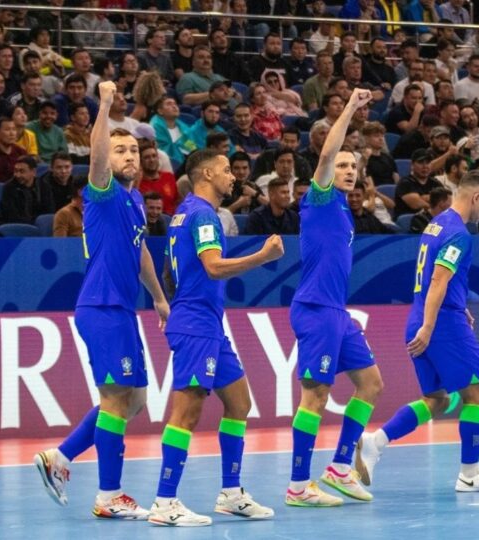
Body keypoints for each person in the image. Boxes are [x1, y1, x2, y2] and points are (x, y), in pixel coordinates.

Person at [34, 80, 170, 518]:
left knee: (134, 401)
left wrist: (160, 299)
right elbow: (95, 157)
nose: (130, 155)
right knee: (115, 400)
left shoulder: (133, 201)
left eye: (134, 150)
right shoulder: (103, 191)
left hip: (123, 311)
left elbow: (142, 252)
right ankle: (109, 496)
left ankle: (60, 457)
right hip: (102, 308)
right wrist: (106, 105)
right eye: (121, 150)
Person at [147, 148, 284, 526]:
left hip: (205, 322)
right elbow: (212, 267)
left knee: (239, 402)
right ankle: (164, 501)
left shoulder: (183, 214)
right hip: (197, 326)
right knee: (186, 412)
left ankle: (231, 493)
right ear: (206, 174)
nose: (233, 177)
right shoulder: (204, 214)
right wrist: (262, 256)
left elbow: (172, 269)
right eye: (226, 170)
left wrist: (173, 306)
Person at [355, 170, 479, 493]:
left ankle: (375, 442)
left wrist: (452, 307)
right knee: (477, 393)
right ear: (476, 197)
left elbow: (436, 279)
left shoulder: (435, 224)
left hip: (425, 314)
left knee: (436, 399)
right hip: (440, 323)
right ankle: (470, 473)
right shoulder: (460, 233)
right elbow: (438, 279)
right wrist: (430, 326)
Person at [284, 88, 383, 508]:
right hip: (314, 310)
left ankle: (341, 467)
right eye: (342, 164)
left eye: (352, 166)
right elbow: (326, 156)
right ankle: (297, 485)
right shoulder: (320, 199)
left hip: (337, 314)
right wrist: (350, 108)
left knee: (371, 384)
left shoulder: (345, 208)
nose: (346, 169)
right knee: (316, 396)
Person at [0, 156, 55, 223]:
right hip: (18, 226)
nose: (17, 175)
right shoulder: (9, 188)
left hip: (40, 225)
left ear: (33, 172)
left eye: (22, 171)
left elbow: (49, 211)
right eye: (16, 171)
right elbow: (11, 216)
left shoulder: (43, 186)